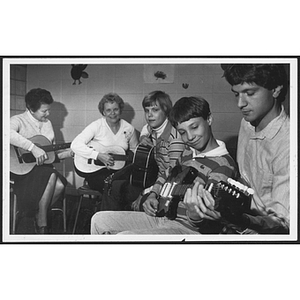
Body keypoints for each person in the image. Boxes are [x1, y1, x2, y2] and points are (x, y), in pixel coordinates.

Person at [90, 96, 238, 234]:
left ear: (209, 119)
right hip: (162, 217)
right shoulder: (188, 151)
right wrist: (153, 195)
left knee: (124, 237)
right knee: (99, 220)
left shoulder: (223, 165)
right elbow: (167, 173)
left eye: (194, 127)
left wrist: (195, 214)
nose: (190, 137)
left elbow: (208, 216)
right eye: (182, 132)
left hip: (187, 229)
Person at [185, 64, 290, 234]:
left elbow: (284, 223)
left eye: (250, 93)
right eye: (236, 94)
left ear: (276, 89)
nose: (240, 103)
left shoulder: (288, 144)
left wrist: (235, 218)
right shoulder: (247, 124)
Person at [99, 90, 185, 211]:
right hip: (157, 182)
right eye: (147, 110)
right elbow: (146, 128)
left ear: (166, 111)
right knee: (114, 185)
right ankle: (109, 224)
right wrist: (143, 137)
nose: (149, 115)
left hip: (169, 189)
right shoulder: (154, 128)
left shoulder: (175, 139)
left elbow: (172, 176)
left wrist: (145, 193)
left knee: (138, 201)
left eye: (155, 110)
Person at [10, 88, 72, 234]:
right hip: (21, 171)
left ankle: (37, 212)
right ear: (31, 109)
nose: (48, 114)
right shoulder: (18, 120)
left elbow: (51, 154)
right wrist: (32, 147)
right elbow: (6, 133)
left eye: (48, 110)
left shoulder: (47, 124)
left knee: (60, 185)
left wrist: (69, 153)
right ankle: (42, 221)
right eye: (44, 111)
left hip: (43, 168)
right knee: (51, 176)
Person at [71, 93, 139, 193]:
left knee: (127, 185)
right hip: (95, 172)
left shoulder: (129, 129)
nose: (112, 113)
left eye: (115, 109)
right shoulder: (97, 125)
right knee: (112, 187)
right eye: (108, 110)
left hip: (118, 171)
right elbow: (75, 145)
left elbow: (134, 151)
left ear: (120, 109)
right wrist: (97, 155)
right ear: (103, 112)